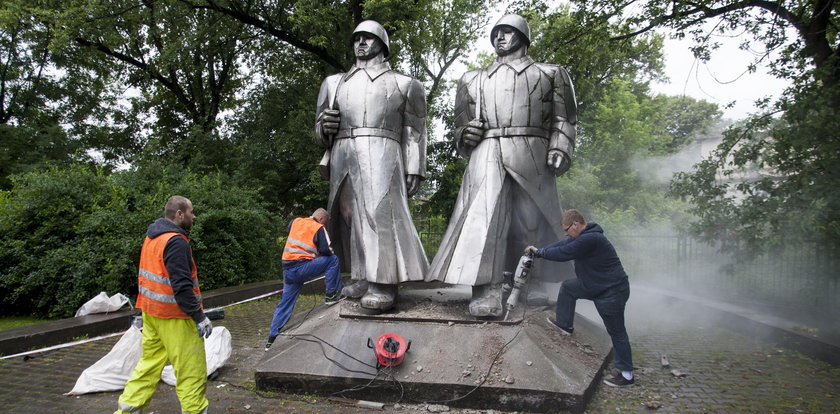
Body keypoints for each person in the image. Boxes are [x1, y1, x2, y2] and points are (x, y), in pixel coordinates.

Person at [427, 14, 577, 317]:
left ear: (523, 36)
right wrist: (465, 134)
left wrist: (560, 146)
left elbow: (565, 118)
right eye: (496, 32)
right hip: (487, 151)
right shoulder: (473, 78)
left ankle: (531, 281)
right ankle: (487, 289)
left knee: (529, 221)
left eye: (507, 31)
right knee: (485, 220)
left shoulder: (550, 74)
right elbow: (461, 124)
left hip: (532, 150)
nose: (500, 37)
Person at [315, 20, 429, 312]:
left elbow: (415, 131)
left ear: (383, 43)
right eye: (356, 38)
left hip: (383, 149)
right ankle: (365, 276)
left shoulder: (404, 84)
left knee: (378, 212)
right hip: (343, 150)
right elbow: (319, 129)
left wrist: (414, 167)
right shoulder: (334, 82)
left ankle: (384, 282)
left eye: (368, 37)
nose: (361, 43)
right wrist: (324, 127)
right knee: (350, 216)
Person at [115, 195, 211, 414]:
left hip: (151, 313)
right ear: (179, 214)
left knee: (149, 364)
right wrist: (199, 317)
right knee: (190, 369)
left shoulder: (152, 237)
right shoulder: (176, 241)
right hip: (176, 316)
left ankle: (128, 409)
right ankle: (194, 411)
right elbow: (181, 286)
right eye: (190, 211)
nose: (193, 216)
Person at [526, 209, 634, 387]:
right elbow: (561, 244)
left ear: (576, 224)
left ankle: (627, 375)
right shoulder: (581, 236)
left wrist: (542, 254)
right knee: (569, 287)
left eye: (567, 229)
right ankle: (565, 324)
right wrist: (538, 251)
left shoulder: (591, 239)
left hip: (611, 291)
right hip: (594, 284)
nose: (566, 232)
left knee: (617, 331)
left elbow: (565, 252)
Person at [265, 208, 343, 350]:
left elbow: (296, 236)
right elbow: (326, 250)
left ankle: (271, 339)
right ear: (321, 219)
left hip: (287, 270)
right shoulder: (319, 227)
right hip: (301, 268)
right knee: (333, 260)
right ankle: (332, 294)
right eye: (325, 222)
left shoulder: (295, 221)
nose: (325, 225)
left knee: (285, 303)